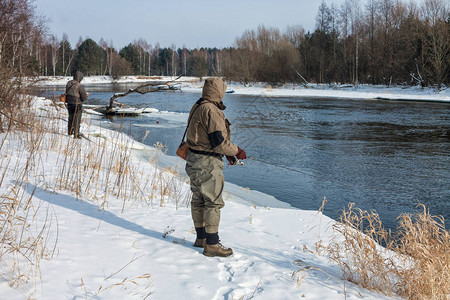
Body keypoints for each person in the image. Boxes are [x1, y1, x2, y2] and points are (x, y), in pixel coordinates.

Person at [185, 77, 247, 257]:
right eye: (222, 91)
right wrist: (237, 151)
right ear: (218, 92)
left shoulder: (198, 105)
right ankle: (212, 245)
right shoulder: (211, 109)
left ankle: (201, 238)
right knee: (213, 202)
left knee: (198, 199)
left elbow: (208, 138)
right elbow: (219, 142)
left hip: (194, 159)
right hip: (207, 163)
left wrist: (228, 153)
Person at [65, 71, 88, 138]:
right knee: (77, 120)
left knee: (70, 118)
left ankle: (69, 132)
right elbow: (84, 98)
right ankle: (76, 134)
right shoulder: (80, 86)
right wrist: (86, 96)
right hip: (77, 104)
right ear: (80, 78)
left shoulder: (68, 83)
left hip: (69, 103)